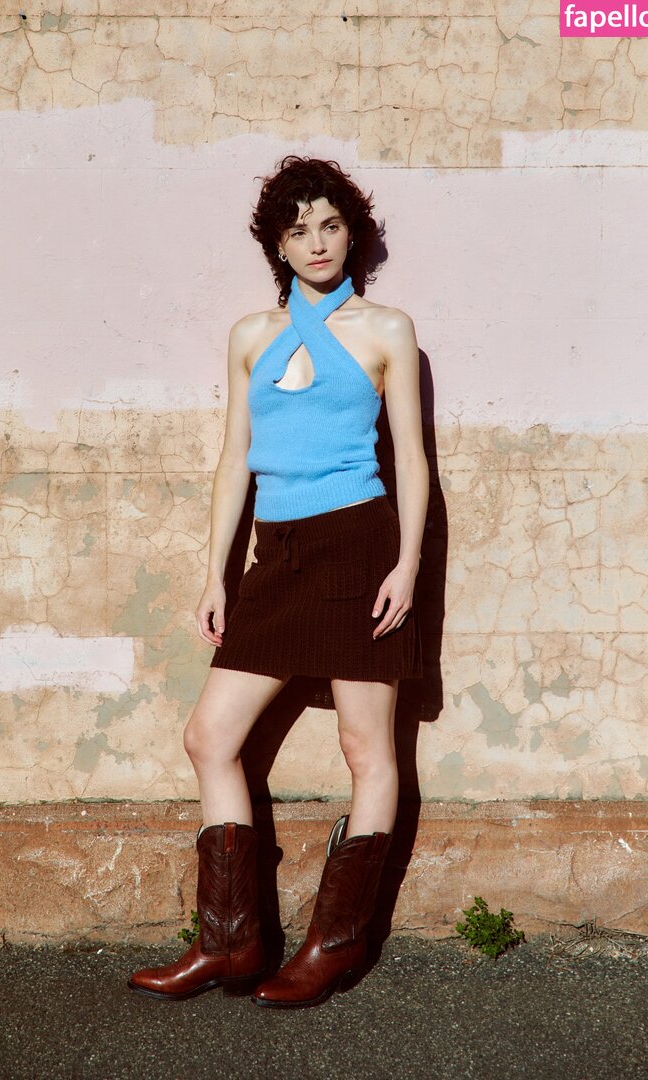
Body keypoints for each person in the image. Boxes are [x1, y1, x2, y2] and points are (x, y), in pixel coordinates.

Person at [128, 155, 428, 1009]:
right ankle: (231, 942)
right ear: (279, 246)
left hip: (359, 547)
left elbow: (411, 458)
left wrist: (407, 564)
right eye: (299, 231)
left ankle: (335, 944)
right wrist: (216, 574)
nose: (317, 243)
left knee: (368, 751)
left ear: (351, 231)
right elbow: (236, 460)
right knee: (208, 737)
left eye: (330, 225)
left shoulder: (387, 329)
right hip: (278, 554)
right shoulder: (251, 335)